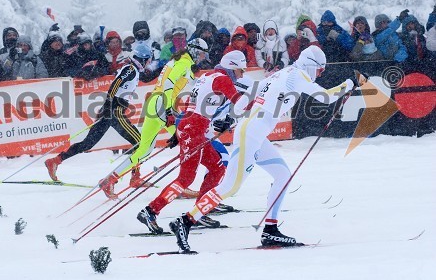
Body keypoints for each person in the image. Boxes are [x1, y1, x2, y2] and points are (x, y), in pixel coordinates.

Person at [169, 45, 368, 253]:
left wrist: (230, 118)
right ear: (312, 65)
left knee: (282, 175)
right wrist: (350, 82)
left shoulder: (285, 73)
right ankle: (185, 221)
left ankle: (271, 228)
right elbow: (326, 97)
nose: (320, 74)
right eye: (320, 70)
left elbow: (254, 93)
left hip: (255, 132)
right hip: (251, 133)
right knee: (230, 186)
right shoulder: (298, 75)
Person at [137, 51, 249, 234]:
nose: (241, 75)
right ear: (231, 67)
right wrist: (260, 104)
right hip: (193, 130)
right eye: (240, 70)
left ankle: (199, 212)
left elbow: (191, 104)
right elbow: (239, 102)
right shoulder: (222, 79)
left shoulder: (206, 76)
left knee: (217, 166)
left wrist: (179, 129)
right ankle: (151, 211)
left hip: (193, 128)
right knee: (186, 178)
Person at [98, 27, 199, 198]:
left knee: (144, 150)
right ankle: (181, 185)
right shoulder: (184, 62)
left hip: (154, 102)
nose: (203, 59)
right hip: (162, 104)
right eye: (202, 55)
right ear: (196, 52)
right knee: (187, 142)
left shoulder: (177, 60)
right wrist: (168, 112)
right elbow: (168, 84)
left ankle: (110, 180)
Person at [44, 47, 151, 181]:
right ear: (144, 59)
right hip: (115, 110)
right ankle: (135, 178)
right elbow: (116, 83)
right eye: (148, 60)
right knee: (140, 143)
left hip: (109, 110)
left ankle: (55, 161)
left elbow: (146, 78)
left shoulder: (132, 69)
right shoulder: (130, 69)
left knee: (88, 143)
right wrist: (111, 102)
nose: (148, 63)